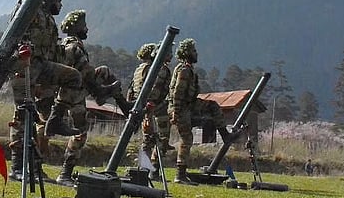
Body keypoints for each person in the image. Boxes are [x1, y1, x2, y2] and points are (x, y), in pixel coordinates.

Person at [6, 0, 82, 181]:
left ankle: (56, 119)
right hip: (23, 66)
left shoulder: (43, 13)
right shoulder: (25, 8)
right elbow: (14, 38)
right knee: (24, 115)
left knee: (73, 77)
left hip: (41, 66)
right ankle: (18, 167)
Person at [53, 9, 126, 187]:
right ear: (77, 27)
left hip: (76, 91)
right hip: (72, 95)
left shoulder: (70, 44)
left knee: (105, 70)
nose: (87, 29)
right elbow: (84, 73)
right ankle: (65, 174)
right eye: (84, 25)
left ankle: (122, 104)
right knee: (80, 133)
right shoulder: (73, 47)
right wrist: (98, 89)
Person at [167, 38, 236, 185]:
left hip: (189, 105)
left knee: (213, 106)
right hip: (182, 108)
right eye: (194, 51)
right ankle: (180, 175)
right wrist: (176, 112)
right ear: (187, 53)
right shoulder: (184, 70)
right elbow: (177, 93)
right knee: (186, 139)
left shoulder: (187, 69)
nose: (196, 54)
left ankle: (225, 135)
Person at [127, 42, 172, 180]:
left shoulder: (139, 69)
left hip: (141, 108)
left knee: (147, 140)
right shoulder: (159, 68)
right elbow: (157, 88)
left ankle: (143, 171)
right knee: (161, 139)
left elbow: (130, 90)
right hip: (155, 108)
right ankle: (153, 171)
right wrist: (152, 106)